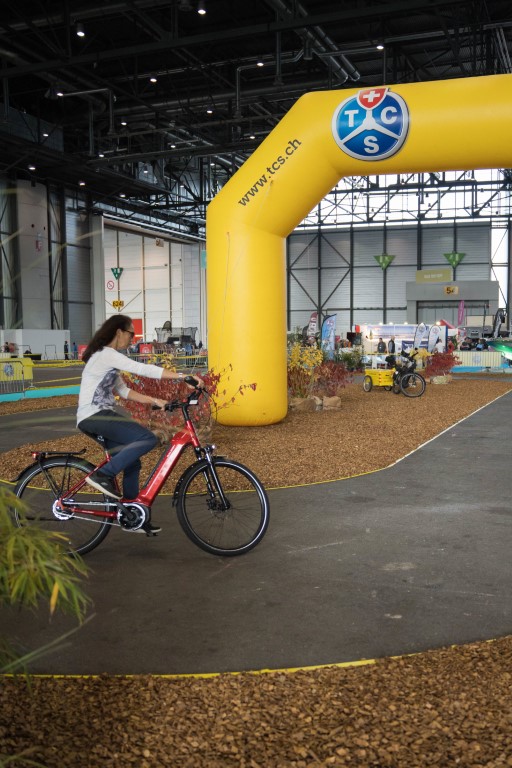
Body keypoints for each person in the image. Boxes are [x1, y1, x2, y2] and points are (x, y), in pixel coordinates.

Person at [77, 315, 204, 533]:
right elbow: (143, 369)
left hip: (96, 416)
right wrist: (182, 376)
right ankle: (102, 475)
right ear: (119, 332)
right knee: (146, 438)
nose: (132, 339)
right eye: (131, 334)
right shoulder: (106, 355)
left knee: (132, 463)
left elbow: (124, 391)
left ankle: (131, 515)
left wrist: (154, 400)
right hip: (95, 415)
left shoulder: (107, 358)